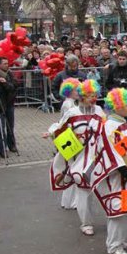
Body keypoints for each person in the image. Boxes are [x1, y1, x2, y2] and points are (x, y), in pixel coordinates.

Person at [49, 79, 106, 236]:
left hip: (97, 156)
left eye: (95, 95)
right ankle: (86, 222)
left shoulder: (99, 111)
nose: (93, 98)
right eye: (90, 95)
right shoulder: (72, 113)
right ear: (82, 96)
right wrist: (52, 133)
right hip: (79, 158)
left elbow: (106, 129)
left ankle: (113, 217)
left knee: (102, 188)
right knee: (83, 189)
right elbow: (59, 129)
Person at [94, 88, 127, 254]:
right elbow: (108, 151)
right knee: (117, 211)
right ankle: (113, 245)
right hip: (117, 175)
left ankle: (119, 240)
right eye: (126, 103)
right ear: (116, 105)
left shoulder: (120, 124)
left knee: (126, 208)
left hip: (126, 175)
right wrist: (123, 169)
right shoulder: (110, 126)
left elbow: (125, 147)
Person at [44, 78, 81, 210]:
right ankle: (74, 202)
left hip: (68, 137)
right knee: (74, 169)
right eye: (76, 90)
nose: (78, 92)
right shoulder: (69, 105)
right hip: (69, 138)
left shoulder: (70, 103)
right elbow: (64, 122)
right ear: (69, 91)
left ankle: (67, 201)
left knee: (71, 168)